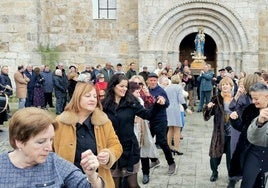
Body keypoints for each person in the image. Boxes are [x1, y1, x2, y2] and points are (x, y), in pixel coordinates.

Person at [0, 107, 104, 188]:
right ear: (18, 141)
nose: (49, 148)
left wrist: (92, 176)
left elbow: (87, 186)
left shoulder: (55, 163)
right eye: (41, 142)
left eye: (51, 140)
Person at [53, 81, 122, 187]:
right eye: (88, 96)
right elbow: (49, 150)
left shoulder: (104, 122)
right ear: (77, 97)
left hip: (97, 181)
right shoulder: (60, 122)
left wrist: (109, 155)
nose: (93, 99)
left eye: (95, 96)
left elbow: (116, 146)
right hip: (66, 182)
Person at [101, 74, 164, 188]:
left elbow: (148, 115)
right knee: (114, 184)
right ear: (113, 86)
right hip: (112, 149)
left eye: (126, 86)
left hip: (129, 149)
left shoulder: (131, 102)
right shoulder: (104, 105)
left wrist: (157, 105)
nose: (125, 89)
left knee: (132, 184)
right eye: (121, 86)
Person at [203, 77, 234, 182]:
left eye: (227, 84)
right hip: (219, 131)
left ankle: (231, 175)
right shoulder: (215, 98)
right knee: (214, 155)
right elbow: (207, 117)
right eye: (223, 84)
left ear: (231, 86)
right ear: (220, 87)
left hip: (232, 133)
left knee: (231, 156)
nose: (225, 86)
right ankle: (214, 172)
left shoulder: (235, 99)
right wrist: (208, 107)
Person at [146, 73, 176, 176]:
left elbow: (167, 103)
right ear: (148, 81)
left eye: (155, 80)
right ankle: (154, 160)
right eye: (151, 80)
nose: (153, 82)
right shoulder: (146, 91)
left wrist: (163, 101)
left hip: (160, 120)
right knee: (148, 142)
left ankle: (171, 163)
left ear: (157, 81)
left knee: (162, 142)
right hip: (149, 120)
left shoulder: (161, 91)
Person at [238, 82, 268, 188]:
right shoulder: (250, 110)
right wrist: (259, 122)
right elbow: (245, 131)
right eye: (252, 98)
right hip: (253, 152)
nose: (253, 101)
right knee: (247, 183)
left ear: (266, 96)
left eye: (256, 98)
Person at [165, 75, 192, 156]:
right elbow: (180, 98)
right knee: (177, 129)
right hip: (175, 108)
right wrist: (186, 108)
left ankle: (169, 147)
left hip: (168, 108)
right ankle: (176, 148)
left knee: (170, 128)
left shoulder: (167, 88)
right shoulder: (178, 87)